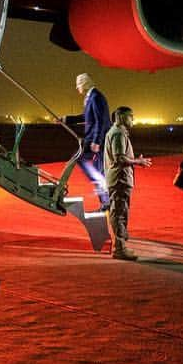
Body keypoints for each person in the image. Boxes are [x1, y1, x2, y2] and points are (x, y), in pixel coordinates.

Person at [104, 106, 153, 261]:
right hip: (119, 179)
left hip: (118, 179)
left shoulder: (117, 133)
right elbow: (119, 158)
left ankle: (120, 244)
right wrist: (137, 161)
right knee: (118, 213)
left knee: (119, 211)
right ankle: (119, 248)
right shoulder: (118, 134)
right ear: (120, 117)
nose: (133, 119)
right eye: (130, 116)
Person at [75, 73, 110, 210]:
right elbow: (86, 116)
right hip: (95, 139)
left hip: (97, 140)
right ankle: (105, 202)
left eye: (78, 85)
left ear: (84, 84)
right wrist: (66, 119)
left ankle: (103, 189)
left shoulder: (95, 97)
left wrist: (96, 141)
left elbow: (100, 121)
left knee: (81, 159)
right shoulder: (91, 97)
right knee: (97, 170)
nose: (77, 88)